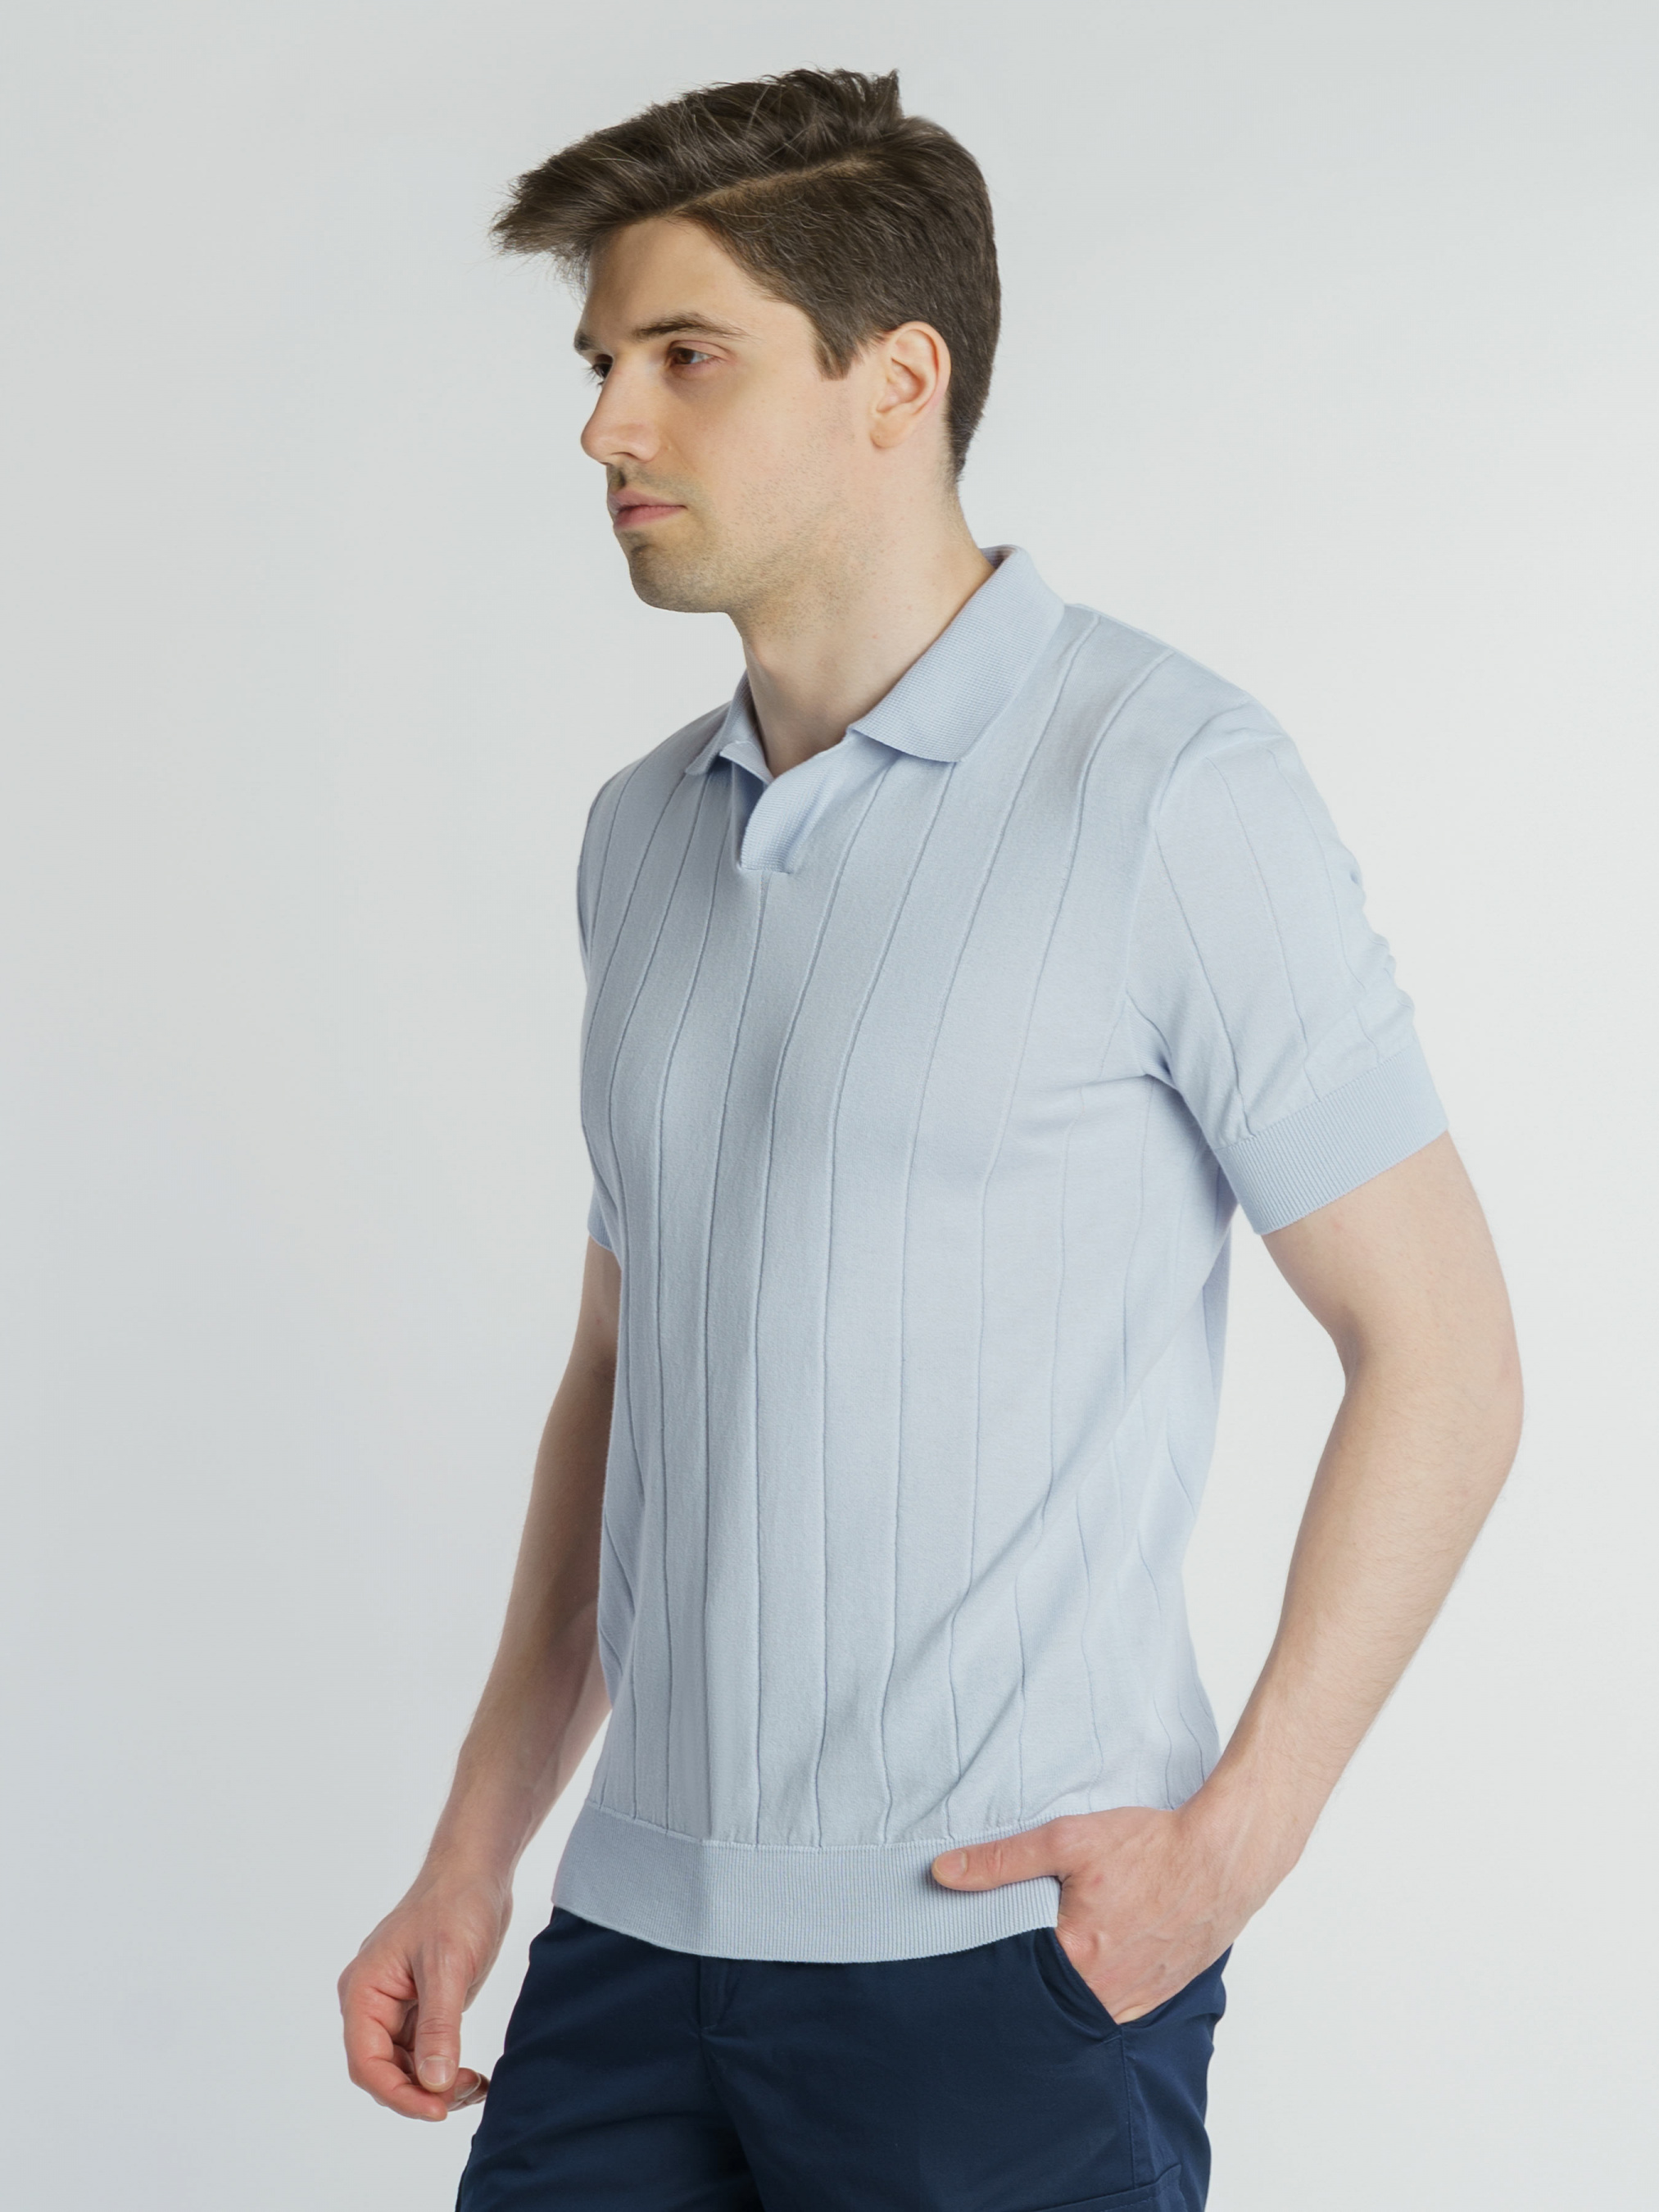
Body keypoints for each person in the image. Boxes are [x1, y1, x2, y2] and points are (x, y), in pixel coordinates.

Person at [338, 67, 1521, 2212]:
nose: (608, 426)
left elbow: (1443, 1354)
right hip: (625, 1949)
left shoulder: (1170, 787)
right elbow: (624, 1367)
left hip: (1001, 1961)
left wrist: (1226, 1853)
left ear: (898, 382)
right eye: (600, 364)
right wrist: (473, 1854)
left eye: (683, 356)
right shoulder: (638, 837)